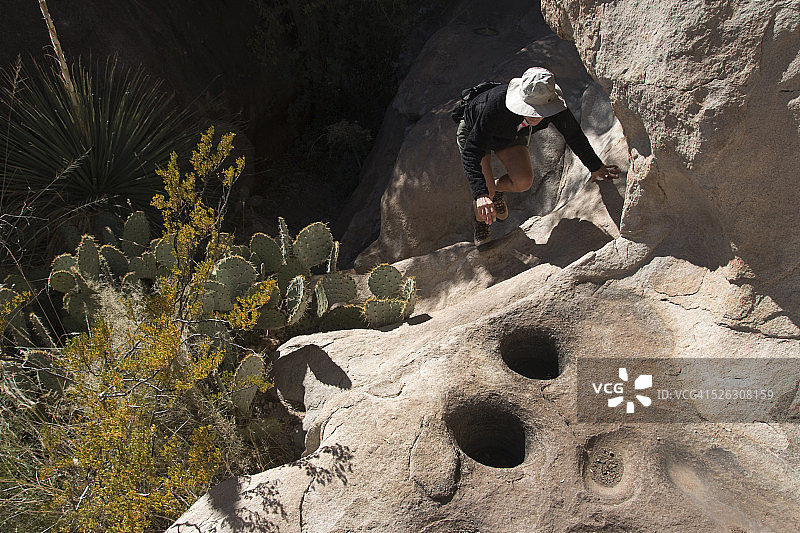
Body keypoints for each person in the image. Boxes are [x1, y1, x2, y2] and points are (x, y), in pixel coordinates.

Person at [456, 67, 619, 246]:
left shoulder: (555, 107)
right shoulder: (496, 105)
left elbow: (573, 134)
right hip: (475, 132)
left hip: (511, 132)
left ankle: (496, 188)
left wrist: (595, 166)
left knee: (523, 181)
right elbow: (471, 152)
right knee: (485, 193)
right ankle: (481, 220)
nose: (534, 115)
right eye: (530, 109)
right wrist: (481, 193)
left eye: (540, 110)